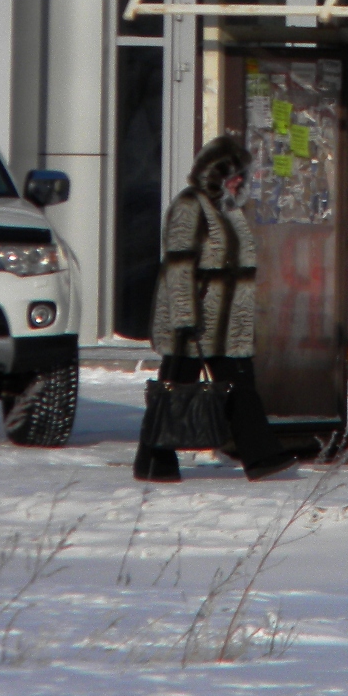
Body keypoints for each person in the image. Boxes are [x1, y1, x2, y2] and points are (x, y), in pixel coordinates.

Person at [134, 134, 297, 483]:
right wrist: (184, 318)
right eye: (231, 174)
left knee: (236, 384)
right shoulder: (189, 205)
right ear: (214, 173)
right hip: (198, 318)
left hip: (227, 321)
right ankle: (155, 460)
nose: (238, 180)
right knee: (175, 389)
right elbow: (178, 266)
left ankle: (259, 456)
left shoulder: (228, 209)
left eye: (241, 174)